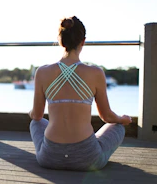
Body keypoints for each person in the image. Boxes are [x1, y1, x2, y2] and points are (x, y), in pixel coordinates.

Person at [28, 16, 132, 171]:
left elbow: (36, 116)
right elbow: (107, 117)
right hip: (87, 159)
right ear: (83, 41)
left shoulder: (42, 72)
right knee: (118, 127)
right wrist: (122, 119)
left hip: (49, 158)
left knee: (36, 123)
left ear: (60, 40)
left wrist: (31, 111)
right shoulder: (95, 73)